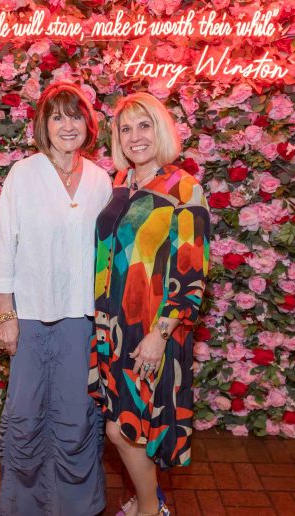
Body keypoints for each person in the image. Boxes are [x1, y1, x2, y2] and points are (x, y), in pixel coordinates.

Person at [0, 81, 112, 516]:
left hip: (82, 318)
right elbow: (5, 243)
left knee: (77, 417)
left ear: (88, 124)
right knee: (24, 417)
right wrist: (6, 314)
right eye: (57, 116)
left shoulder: (100, 180)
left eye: (75, 115)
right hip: (32, 315)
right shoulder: (23, 174)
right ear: (43, 124)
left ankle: (76, 506)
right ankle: (22, 507)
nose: (67, 125)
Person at [89, 92, 210, 516]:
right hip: (111, 327)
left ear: (160, 131)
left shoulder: (184, 187)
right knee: (125, 426)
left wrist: (161, 334)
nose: (135, 136)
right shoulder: (120, 184)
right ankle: (148, 499)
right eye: (125, 128)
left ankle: (149, 509)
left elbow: (192, 272)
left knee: (124, 430)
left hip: (150, 331)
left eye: (144, 126)